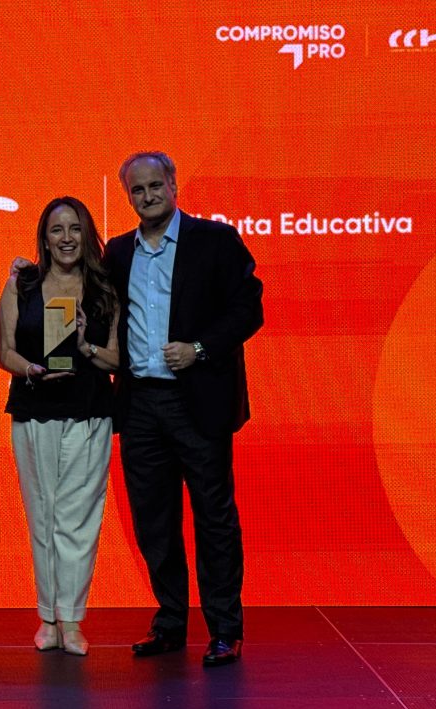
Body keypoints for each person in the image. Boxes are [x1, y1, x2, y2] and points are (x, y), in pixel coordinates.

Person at [104, 152, 263, 667]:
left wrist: (199, 349)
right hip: (139, 405)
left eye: (156, 186)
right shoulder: (117, 252)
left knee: (214, 518)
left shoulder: (216, 241)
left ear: (173, 185)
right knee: (155, 521)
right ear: (128, 196)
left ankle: (225, 630)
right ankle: (171, 622)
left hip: (198, 402)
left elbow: (248, 309)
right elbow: (85, 298)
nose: (148, 196)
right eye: (138, 190)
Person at [0, 197, 119, 656]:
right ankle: (47, 617)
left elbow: (117, 359)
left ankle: (71, 619)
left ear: (86, 234)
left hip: (90, 411)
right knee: (43, 515)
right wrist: (31, 370)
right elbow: (4, 351)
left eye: (74, 229)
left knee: (78, 521)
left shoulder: (105, 287)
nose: (66, 238)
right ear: (44, 238)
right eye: (56, 230)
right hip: (34, 410)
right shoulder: (22, 282)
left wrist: (84, 346)